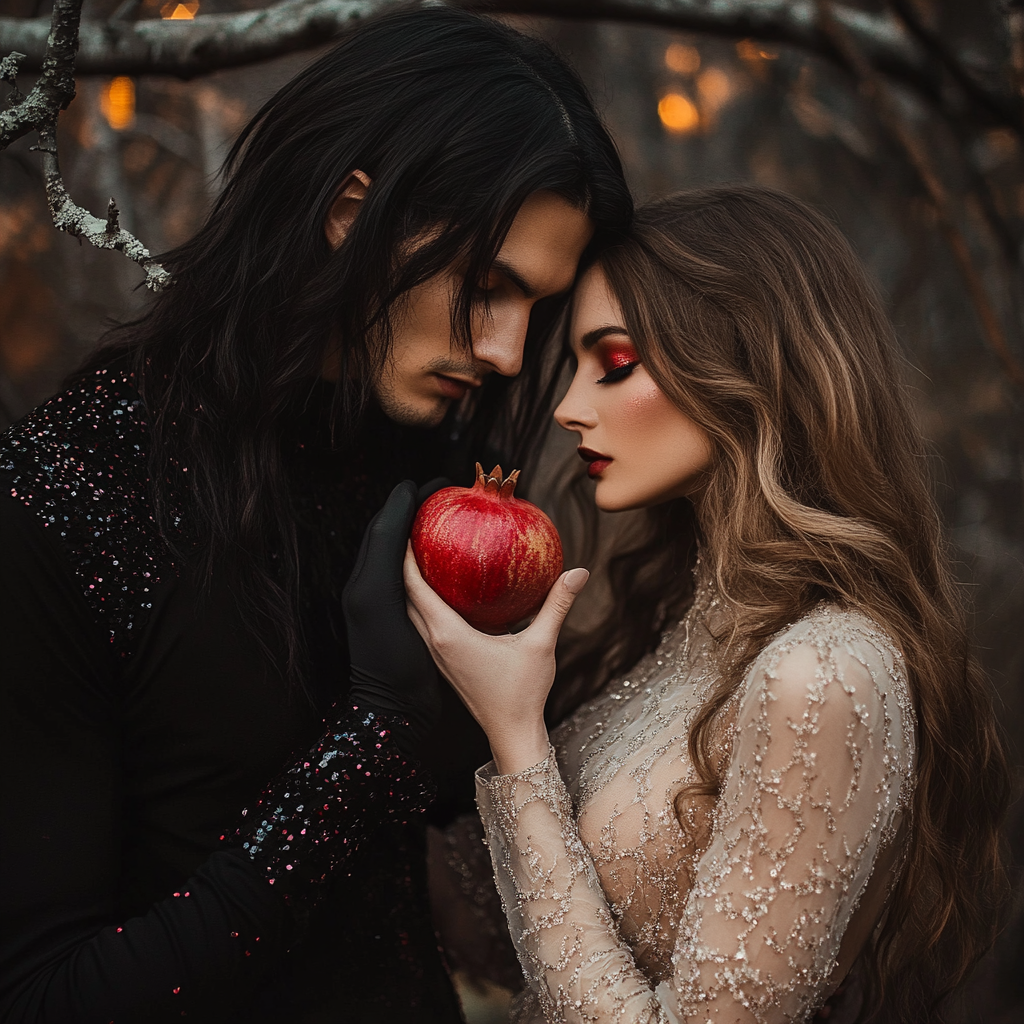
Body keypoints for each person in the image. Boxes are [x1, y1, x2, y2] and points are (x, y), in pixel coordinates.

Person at [0, 7, 632, 1022]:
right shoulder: (71, 496)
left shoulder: (420, 466)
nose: (511, 351)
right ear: (349, 211)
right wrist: (372, 737)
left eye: (537, 308)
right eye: (487, 285)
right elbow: (44, 997)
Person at [404, 186, 1011, 1023]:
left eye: (614, 363)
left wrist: (516, 738)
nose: (569, 408)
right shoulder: (699, 621)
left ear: (748, 366)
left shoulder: (824, 673)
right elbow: (495, 932)